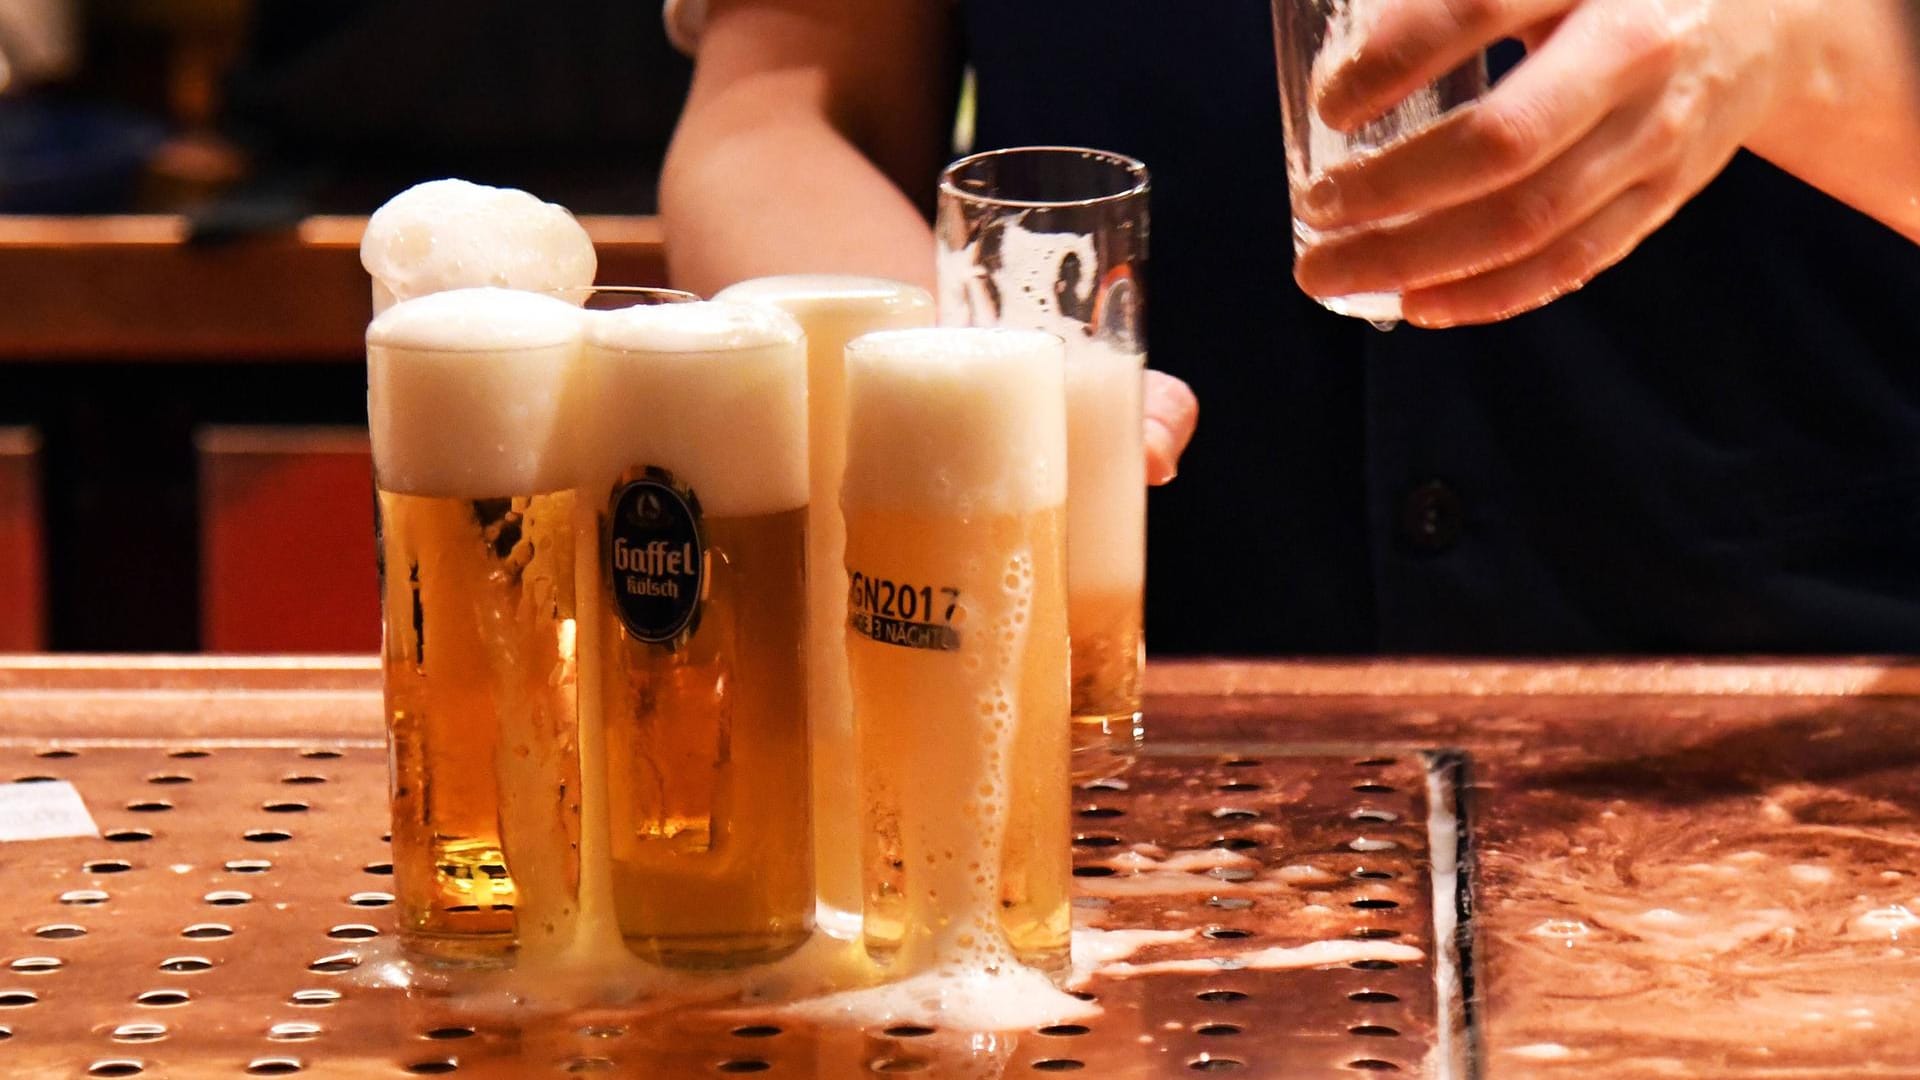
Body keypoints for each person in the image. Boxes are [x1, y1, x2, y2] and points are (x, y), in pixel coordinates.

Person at [660, 0, 1920, 655]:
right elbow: (777, 112)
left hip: (1828, 737)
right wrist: (944, 379)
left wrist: (1798, 48)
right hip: (1146, 752)